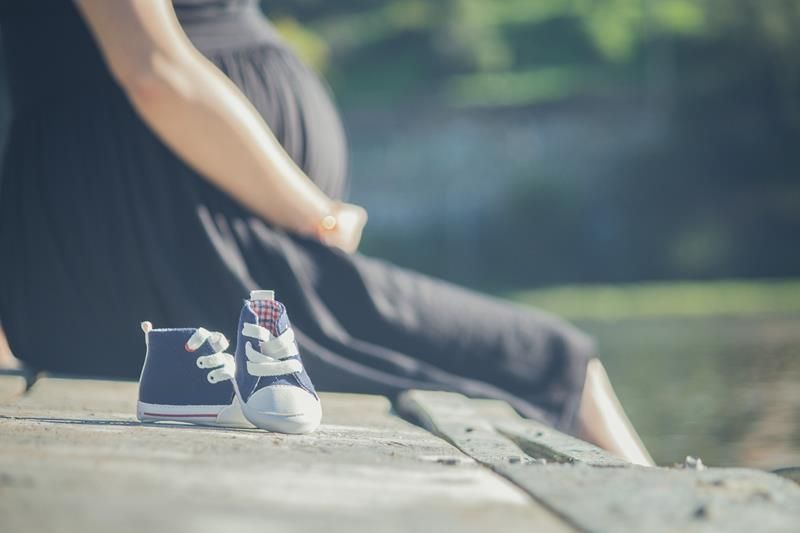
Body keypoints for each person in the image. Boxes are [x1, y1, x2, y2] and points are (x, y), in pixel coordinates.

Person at [0, 0, 653, 465]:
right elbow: (153, 71)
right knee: (553, 361)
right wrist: (313, 212)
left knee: (550, 362)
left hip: (174, 242)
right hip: (159, 240)